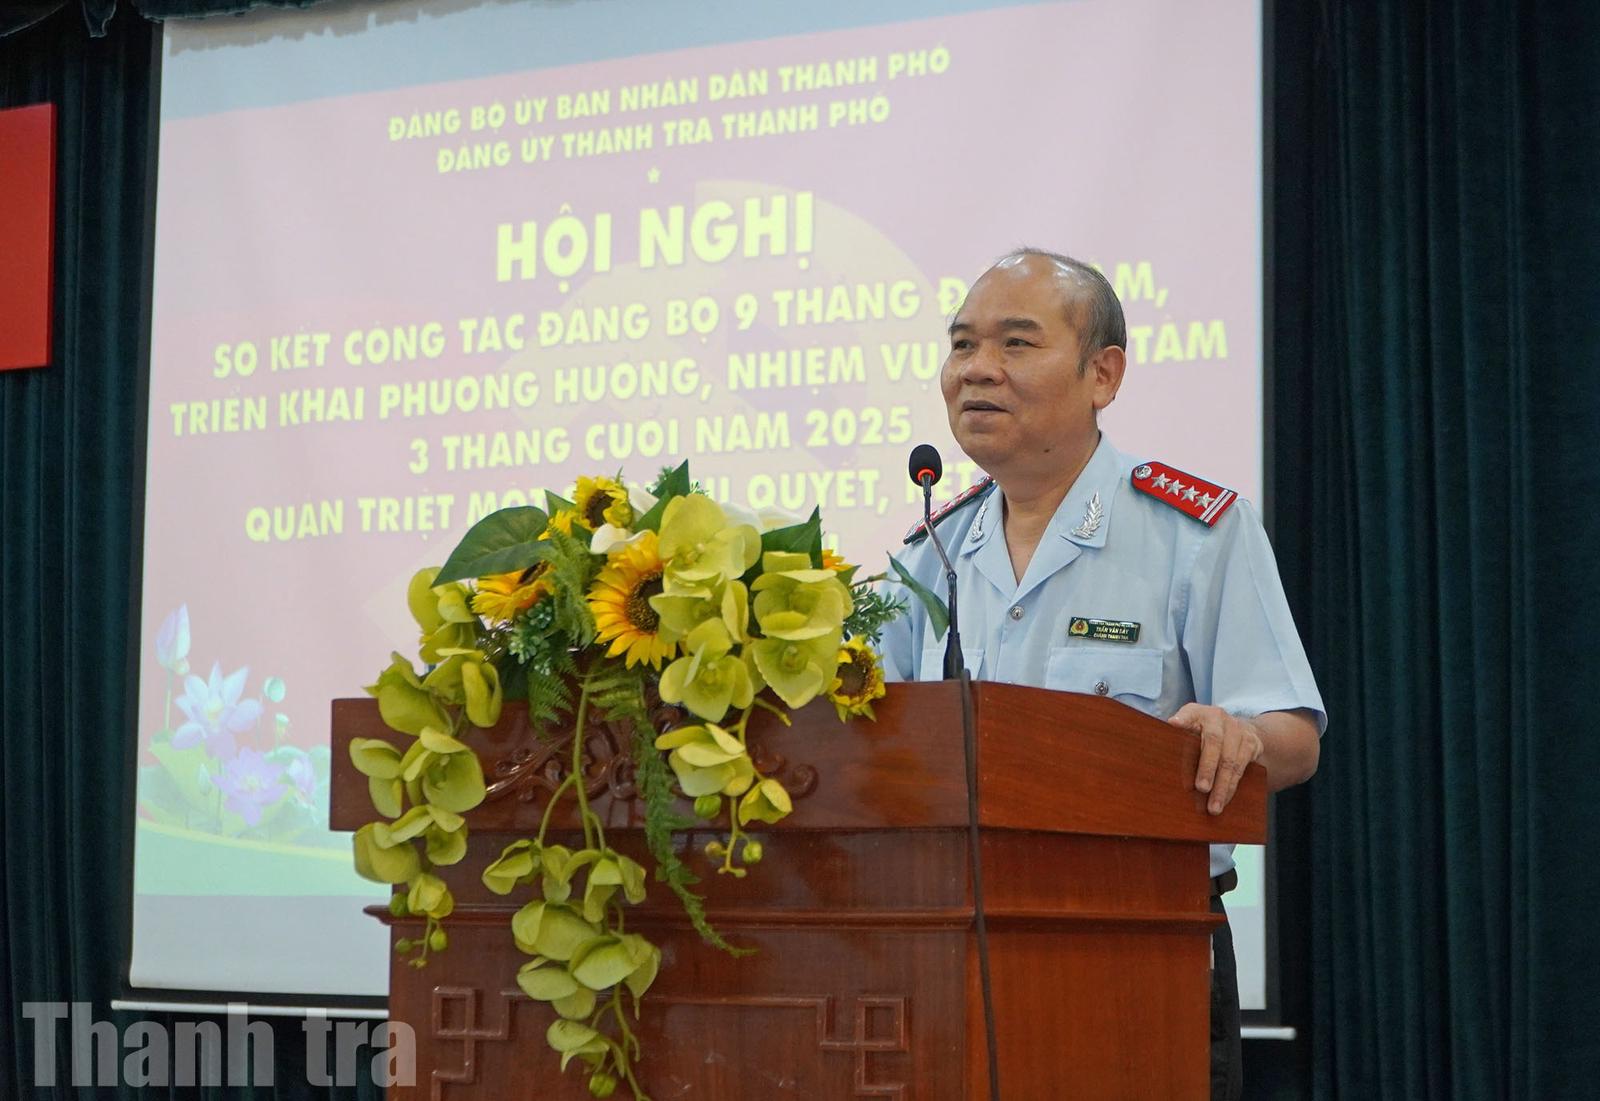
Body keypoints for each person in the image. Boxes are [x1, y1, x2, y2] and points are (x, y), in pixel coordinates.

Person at [879, 249, 1326, 1101]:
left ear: (1104, 374)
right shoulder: (931, 553)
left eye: (1015, 343)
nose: (976, 368)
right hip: (946, 954)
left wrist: (1238, 734)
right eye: (962, 344)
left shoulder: (1196, 532)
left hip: (1140, 956)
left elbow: (1294, 737)